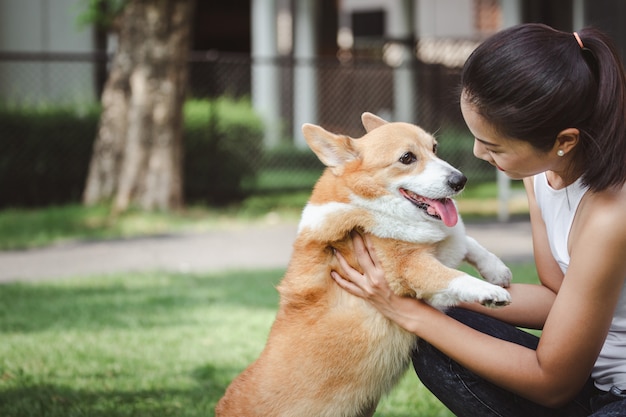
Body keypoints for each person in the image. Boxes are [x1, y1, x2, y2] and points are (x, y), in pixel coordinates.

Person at [331, 23, 626, 416]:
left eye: (493, 146)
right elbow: (557, 298)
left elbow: (553, 384)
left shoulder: (610, 215)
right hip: (590, 381)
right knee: (434, 332)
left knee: (426, 324)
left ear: (564, 142)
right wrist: (419, 289)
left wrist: (407, 311)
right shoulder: (543, 177)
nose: (477, 153)